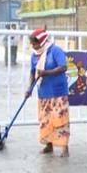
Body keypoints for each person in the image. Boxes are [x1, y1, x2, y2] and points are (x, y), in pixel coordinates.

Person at [26, 28, 70, 157]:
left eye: (35, 43)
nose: (33, 45)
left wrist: (46, 73)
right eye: (32, 43)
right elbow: (33, 73)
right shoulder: (34, 55)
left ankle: (64, 147)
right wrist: (29, 88)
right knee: (45, 120)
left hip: (58, 92)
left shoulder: (55, 51)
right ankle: (48, 145)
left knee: (60, 119)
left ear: (43, 41)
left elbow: (63, 67)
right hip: (43, 92)